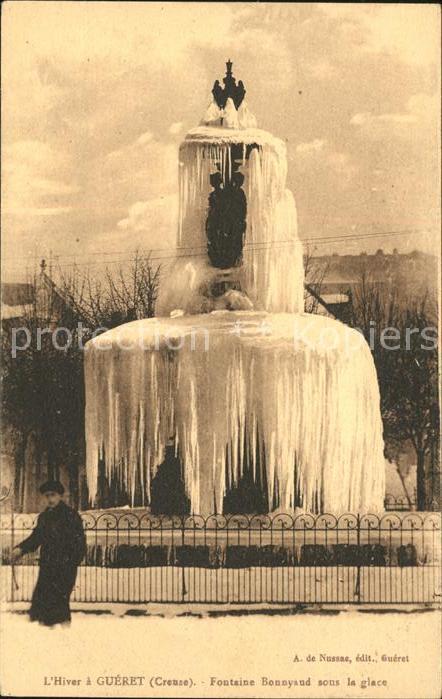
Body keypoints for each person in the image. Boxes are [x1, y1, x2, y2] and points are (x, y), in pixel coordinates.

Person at [11, 480, 86, 627]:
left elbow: (80, 543)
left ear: (60, 496)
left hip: (65, 568)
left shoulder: (71, 516)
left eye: (53, 495)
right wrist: (20, 549)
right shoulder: (44, 517)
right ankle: (47, 640)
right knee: (43, 606)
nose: (50, 499)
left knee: (60, 604)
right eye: (47, 496)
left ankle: (65, 637)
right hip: (48, 567)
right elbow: (36, 538)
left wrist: (72, 562)